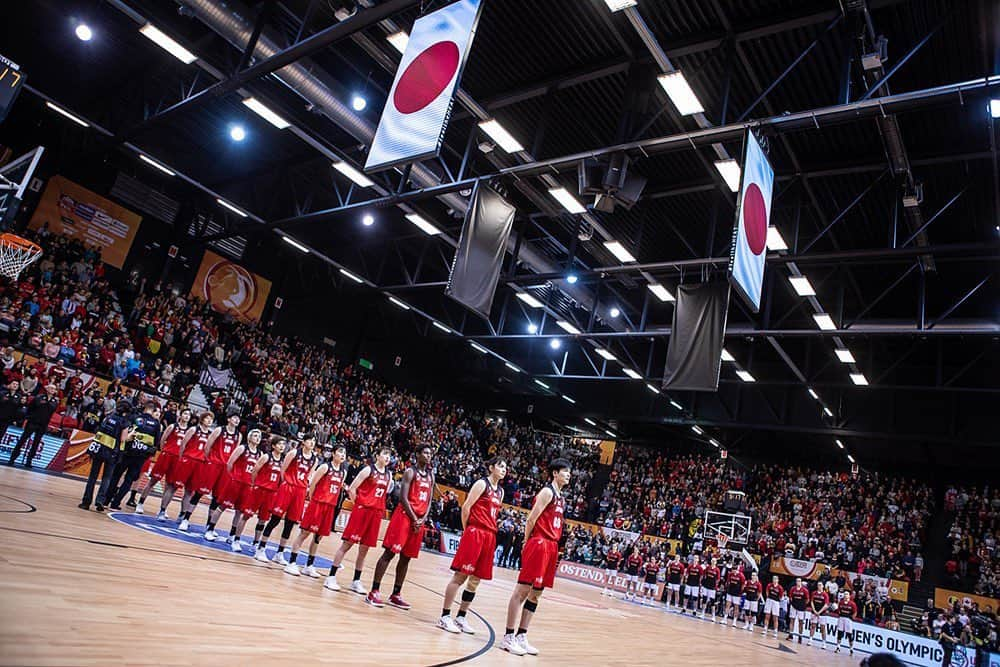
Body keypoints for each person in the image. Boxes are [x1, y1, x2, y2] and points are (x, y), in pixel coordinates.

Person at [501, 458, 571, 657]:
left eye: (569, 472)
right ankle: (508, 636)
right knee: (522, 591)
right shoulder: (547, 492)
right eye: (565, 471)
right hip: (540, 542)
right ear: (555, 473)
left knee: (536, 593)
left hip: (552, 547)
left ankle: (522, 635)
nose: (568, 474)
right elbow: (531, 518)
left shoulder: (561, 497)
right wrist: (526, 541)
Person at [439, 456, 507, 635]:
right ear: (491, 467)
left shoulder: (500, 491)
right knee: (460, 576)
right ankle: (445, 616)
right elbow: (466, 507)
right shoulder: (481, 484)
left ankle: (461, 616)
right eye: (500, 466)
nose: (503, 469)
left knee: (475, 580)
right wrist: (467, 529)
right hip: (475, 532)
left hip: (489, 536)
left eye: (505, 467)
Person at [366, 444, 435, 609]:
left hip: (419, 521)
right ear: (417, 454)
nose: (428, 455)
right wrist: (414, 518)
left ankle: (396, 593)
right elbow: (403, 498)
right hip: (404, 517)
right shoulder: (410, 472)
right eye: (425, 452)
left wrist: (422, 519)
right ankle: (374, 591)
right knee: (389, 553)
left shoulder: (431, 476)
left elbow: (429, 501)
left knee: (406, 558)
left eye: (430, 453)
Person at [323, 445, 394, 594]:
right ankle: (331, 577)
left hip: (375, 514)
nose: (387, 457)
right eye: (384, 454)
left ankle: (356, 581)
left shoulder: (389, 475)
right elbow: (351, 488)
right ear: (377, 456)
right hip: (362, 511)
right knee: (347, 545)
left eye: (389, 455)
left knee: (364, 550)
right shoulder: (368, 470)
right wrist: (359, 504)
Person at [283, 443, 347, 577]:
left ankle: (309, 565)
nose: (342, 455)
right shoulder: (324, 467)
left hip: (330, 507)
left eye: (344, 453)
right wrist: (313, 500)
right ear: (334, 453)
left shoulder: (343, 472)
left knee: (318, 537)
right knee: (304, 534)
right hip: (317, 504)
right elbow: (312, 484)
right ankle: (292, 562)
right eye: (340, 452)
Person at [254, 435, 317, 564]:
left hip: (300, 491)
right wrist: (286, 483)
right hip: (288, 488)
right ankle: (260, 548)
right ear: (304, 442)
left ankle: (280, 553)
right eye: (310, 440)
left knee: (290, 523)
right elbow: (283, 470)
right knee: (275, 520)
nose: (312, 443)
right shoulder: (294, 453)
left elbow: (310, 475)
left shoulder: (315, 459)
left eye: (314, 441)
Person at [106, 401, 162, 509]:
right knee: (129, 480)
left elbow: (125, 433)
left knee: (116, 476)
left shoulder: (134, 418)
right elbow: (156, 443)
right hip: (141, 457)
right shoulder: (156, 424)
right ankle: (116, 503)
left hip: (127, 453)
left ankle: (107, 499)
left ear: (144, 408)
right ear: (154, 410)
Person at [136, 408, 191, 516]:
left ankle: (162, 509)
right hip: (167, 456)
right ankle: (140, 503)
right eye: (185, 413)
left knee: (169, 485)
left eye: (188, 415)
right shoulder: (172, 426)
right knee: (153, 481)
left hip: (178, 459)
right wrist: (164, 451)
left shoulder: (190, 431)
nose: (186, 416)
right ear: (180, 414)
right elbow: (163, 439)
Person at [216, 428, 263, 552]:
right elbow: (230, 463)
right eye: (255, 435)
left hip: (248, 485)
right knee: (222, 506)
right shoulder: (242, 448)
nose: (257, 438)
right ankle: (210, 528)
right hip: (236, 482)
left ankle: (232, 535)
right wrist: (234, 476)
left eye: (259, 436)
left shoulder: (260, 454)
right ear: (249, 437)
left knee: (239, 511)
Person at [78, 401, 130, 511]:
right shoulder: (124, 422)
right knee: (106, 478)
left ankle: (86, 502)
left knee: (93, 476)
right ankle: (100, 501)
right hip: (112, 452)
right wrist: (130, 435)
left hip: (99, 449)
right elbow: (123, 439)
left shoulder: (108, 416)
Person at [200, 411, 243, 540]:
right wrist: (209, 459)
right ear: (229, 419)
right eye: (234, 417)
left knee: (217, 497)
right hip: (214, 464)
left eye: (238, 419)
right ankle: (185, 517)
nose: (236, 420)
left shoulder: (238, 435)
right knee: (200, 491)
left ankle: (209, 525)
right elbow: (208, 445)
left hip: (226, 468)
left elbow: (235, 452)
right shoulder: (220, 430)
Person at [173, 411, 216, 531]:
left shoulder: (211, 434)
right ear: (202, 420)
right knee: (173, 486)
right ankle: (163, 510)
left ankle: (182, 514)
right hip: (188, 460)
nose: (209, 421)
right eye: (207, 419)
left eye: (211, 419)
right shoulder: (193, 429)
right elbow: (183, 444)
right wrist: (181, 458)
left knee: (189, 491)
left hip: (200, 464)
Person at [248, 435, 287, 549]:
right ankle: (235, 537)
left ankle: (256, 542)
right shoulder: (266, 457)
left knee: (263, 519)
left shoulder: (283, 461)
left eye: (283, 444)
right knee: (247, 515)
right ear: (274, 445)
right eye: (279, 444)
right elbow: (255, 471)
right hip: (260, 489)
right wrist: (255, 484)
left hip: (271, 492)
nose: (282, 446)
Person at [7, 384, 59, 467]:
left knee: (36, 443)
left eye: (54, 389)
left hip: (43, 425)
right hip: (32, 423)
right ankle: (12, 459)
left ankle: (29, 461)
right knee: (22, 440)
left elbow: (52, 411)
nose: (53, 390)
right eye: (51, 388)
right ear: (47, 389)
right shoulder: (39, 397)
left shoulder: (55, 401)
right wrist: (30, 417)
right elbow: (30, 408)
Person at [786, 577, 810, 643]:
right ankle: (791, 634)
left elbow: (807, 600)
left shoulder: (805, 590)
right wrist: (793, 604)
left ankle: (800, 636)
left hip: (801, 608)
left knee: (801, 622)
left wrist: (802, 605)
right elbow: (790, 597)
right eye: (797, 581)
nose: (798, 582)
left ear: (801, 582)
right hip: (793, 606)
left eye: (799, 581)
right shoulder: (792, 589)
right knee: (792, 620)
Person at [808, 580, 831, 649]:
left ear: (823, 586)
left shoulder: (825, 595)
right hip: (814, 612)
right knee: (813, 626)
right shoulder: (814, 593)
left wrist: (819, 612)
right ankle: (810, 640)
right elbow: (811, 602)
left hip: (822, 614)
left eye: (820, 585)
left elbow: (826, 605)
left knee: (823, 628)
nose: (819, 586)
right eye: (818, 585)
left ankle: (824, 643)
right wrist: (814, 610)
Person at [835, 590, 858, 655]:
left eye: (847, 594)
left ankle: (851, 649)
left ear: (849, 596)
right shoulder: (841, 602)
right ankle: (838, 647)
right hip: (841, 618)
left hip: (848, 620)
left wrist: (852, 618)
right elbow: (839, 610)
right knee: (839, 633)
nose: (846, 595)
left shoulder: (852, 604)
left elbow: (855, 612)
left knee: (849, 635)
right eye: (845, 594)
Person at [763, 574, 784, 638]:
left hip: (776, 602)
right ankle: (765, 628)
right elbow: (767, 592)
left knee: (775, 617)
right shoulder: (769, 585)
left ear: (778, 580)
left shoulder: (780, 588)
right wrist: (769, 598)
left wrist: (776, 599)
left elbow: (781, 596)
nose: (774, 580)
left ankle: (775, 631)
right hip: (769, 600)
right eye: (773, 579)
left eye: (776, 579)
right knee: (767, 615)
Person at [700, 556, 721, 621]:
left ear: (716, 562)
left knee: (712, 602)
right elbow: (704, 575)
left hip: (712, 588)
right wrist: (702, 584)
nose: (713, 562)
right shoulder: (707, 568)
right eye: (712, 560)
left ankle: (713, 616)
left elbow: (718, 579)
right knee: (704, 599)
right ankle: (703, 613)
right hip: (706, 586)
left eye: (714, 561)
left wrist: (715, 586)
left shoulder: (717, 570)